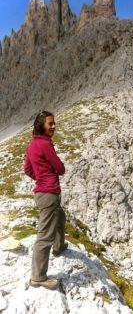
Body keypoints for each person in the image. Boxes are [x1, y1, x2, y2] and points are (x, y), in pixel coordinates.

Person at [22, 110, 66, 290]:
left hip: (42, 193)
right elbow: (60, 168)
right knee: (44, 236)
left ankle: (59, 246)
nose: (54, 126)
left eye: (54, 123)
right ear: (42, 125)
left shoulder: (33, 144)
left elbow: (27, 169)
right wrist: (48, 177)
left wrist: (41, 176)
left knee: (60, 217)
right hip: (49, 194)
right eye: (50, 123)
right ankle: (38, 277)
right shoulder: (45, 144)